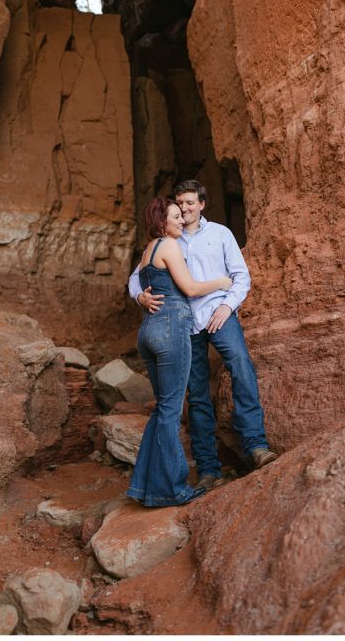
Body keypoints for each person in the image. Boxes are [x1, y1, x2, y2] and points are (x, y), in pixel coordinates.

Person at [128, 180, 276, 492]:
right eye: (180, 203)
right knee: (196, 394)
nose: (184, 209)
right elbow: (137, 276)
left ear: (202, 204)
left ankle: (256, 446)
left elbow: (240, 276)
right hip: (184, 326)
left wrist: (227, 305)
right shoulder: (171, 236)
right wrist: (140, 297)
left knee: (240, 366)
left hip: (218, 313)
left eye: (190, 203)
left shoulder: (220, 234)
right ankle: (209, 469)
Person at [127, 196, 233, 506]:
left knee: (162, 409)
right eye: (174, 216)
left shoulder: (149, 250)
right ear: (161, 221)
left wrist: (140, 298)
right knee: (172, 411)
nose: (180, 220)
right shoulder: (169, 245)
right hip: (171, 326)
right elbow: (189, 289)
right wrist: (221, 281)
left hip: (148, 330)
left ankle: (146, 488)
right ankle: (173, 488)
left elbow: (138, 282)